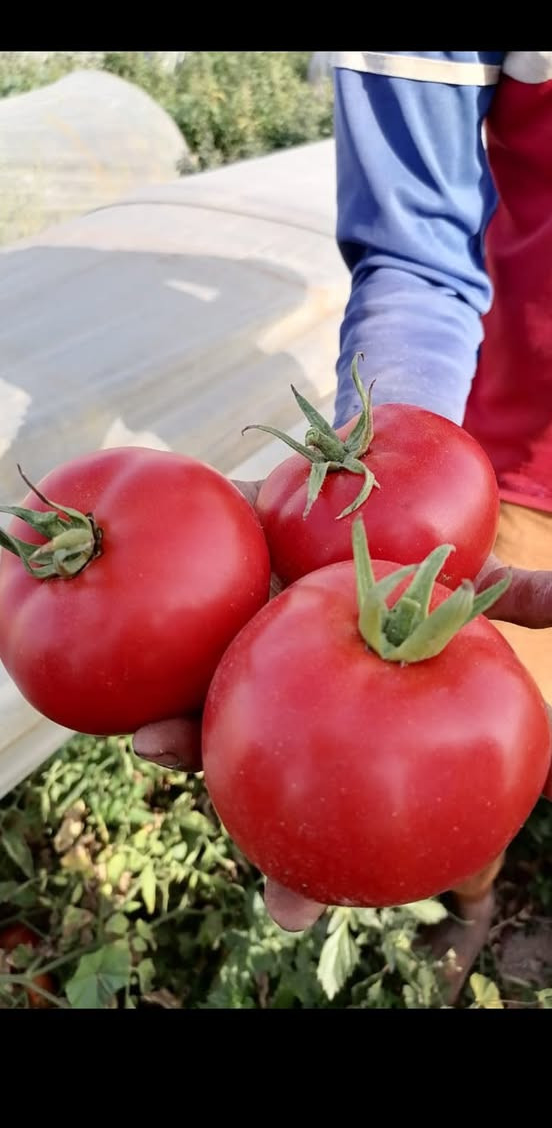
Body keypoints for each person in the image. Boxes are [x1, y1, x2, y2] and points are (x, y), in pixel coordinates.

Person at [132, 51, 552, 1001]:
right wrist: (392, 466)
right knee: (477, 775)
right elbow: (418, 253)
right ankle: (475, 899)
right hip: (497, 475)